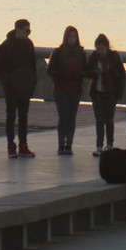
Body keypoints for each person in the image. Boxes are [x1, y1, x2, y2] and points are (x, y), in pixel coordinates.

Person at [0, 19, 38, 158]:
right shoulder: (6, 46)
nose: (28, 34)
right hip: (11, 89)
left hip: (25, 88)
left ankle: (23, 146)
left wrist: (32, 82)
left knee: (23, 117)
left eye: (29, 31)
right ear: (17, 30)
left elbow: (33, 66)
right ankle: (11, 146)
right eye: (26, 31)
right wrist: (7, 81)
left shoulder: (29, 45)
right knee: (11, 116)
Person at [46, 25, 89, 155]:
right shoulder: (58, 52)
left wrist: (79, 75)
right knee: (63, 116)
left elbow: (86, 70)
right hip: (61, 88)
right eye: (70, 36)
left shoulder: (81, 53)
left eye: (74, 36)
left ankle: (69, 145)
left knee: (71, 116)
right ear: (65, 37)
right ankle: (61, 144)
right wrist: (62, 75)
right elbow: (50, 69)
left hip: (75, 88)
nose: (72, 39)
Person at [86, 34, 126, 157]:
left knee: (109, 119)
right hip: (97, 92)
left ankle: (110, 144)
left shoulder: (114, 57)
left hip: (111, 92)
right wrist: (94, 72)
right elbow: (88, 72)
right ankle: (99, 146)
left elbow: (122, 74)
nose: (100, 52)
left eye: (102, 49)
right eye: (98, 49)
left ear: (107, 47)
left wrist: (119, 92)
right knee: (99, 119)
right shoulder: (93, 57)